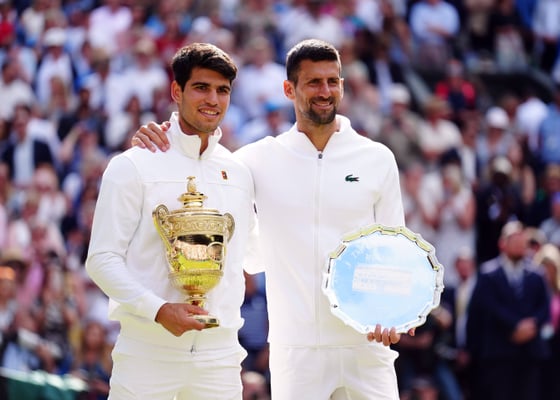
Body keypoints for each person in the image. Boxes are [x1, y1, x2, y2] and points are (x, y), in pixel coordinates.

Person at [133, 38, 414, 400]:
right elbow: (198, 162)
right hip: (294, 353)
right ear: (289, 89)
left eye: (332, 81)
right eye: (313, 82)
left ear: (342, 86)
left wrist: (394, 312)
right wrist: (160, 138)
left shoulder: (377, 158)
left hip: (367, 347)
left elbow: (395, 249)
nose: (325, 91)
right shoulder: (255, 160)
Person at [85, 43, 258, 400]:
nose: (213, 99)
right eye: (201, 87)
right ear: (176, 91)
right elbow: (101, 260)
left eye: (222, 90)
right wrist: (159, 311)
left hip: (220, 356)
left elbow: (254, 256)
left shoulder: (239, 172)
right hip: (147, 352)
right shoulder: (132, 165)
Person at [467, 220, 550, 400]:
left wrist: (532, 325)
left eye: (523, 241)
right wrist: (515, 326)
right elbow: (487, 307)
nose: (520, 245)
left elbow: (545, 307)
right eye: (515, 240)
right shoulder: (488, 274)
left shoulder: (537, 274)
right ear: (502, 243)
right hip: (499, 352)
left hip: (530, 353)